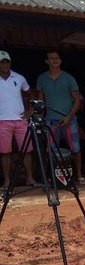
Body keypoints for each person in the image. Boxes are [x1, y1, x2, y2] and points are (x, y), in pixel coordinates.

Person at [36, 50, 85, 184]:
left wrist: (69, 116)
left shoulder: (69, 78)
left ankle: (79, 175)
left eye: (57, 58)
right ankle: (52, 177)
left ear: (60, 60)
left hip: (69, 119)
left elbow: (77, 100)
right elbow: (40, 101)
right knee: (51, 150)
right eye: (51, 58)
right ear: (47, 61)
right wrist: (40, 118)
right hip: (50, 120)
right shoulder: (42, 78)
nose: (54, 60)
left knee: (75, 148)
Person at [0, 50, 36, 190]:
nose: (5, 65)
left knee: (27, 150)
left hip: (20, 119)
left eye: (7, 62)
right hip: (3, 120)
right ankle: (7, 181)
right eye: (2, 62)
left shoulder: (19, 77)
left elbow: (29, 92)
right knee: (5, 152)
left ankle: (30, 178)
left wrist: (30, 111)